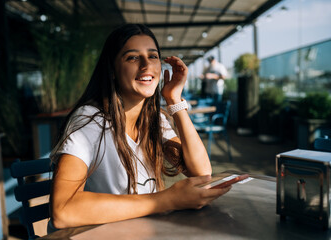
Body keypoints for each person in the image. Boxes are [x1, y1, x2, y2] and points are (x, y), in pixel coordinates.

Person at [48, 24, 231, 232]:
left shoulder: (154, 120)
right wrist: (167, 200)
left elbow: (202, 172)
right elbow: (62, 211)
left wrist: (174, 100)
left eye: (153, 56)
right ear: (113, 71)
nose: (146, 65)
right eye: (132, 57)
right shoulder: (89, 121)